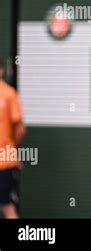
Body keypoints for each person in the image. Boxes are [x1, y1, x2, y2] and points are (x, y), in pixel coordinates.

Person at [0, 57, 25, 218]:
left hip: (5, 161)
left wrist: (11, 149)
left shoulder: (9, 94)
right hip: (7, 158)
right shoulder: (9, 93)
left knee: (8, 207)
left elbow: (20, 128)